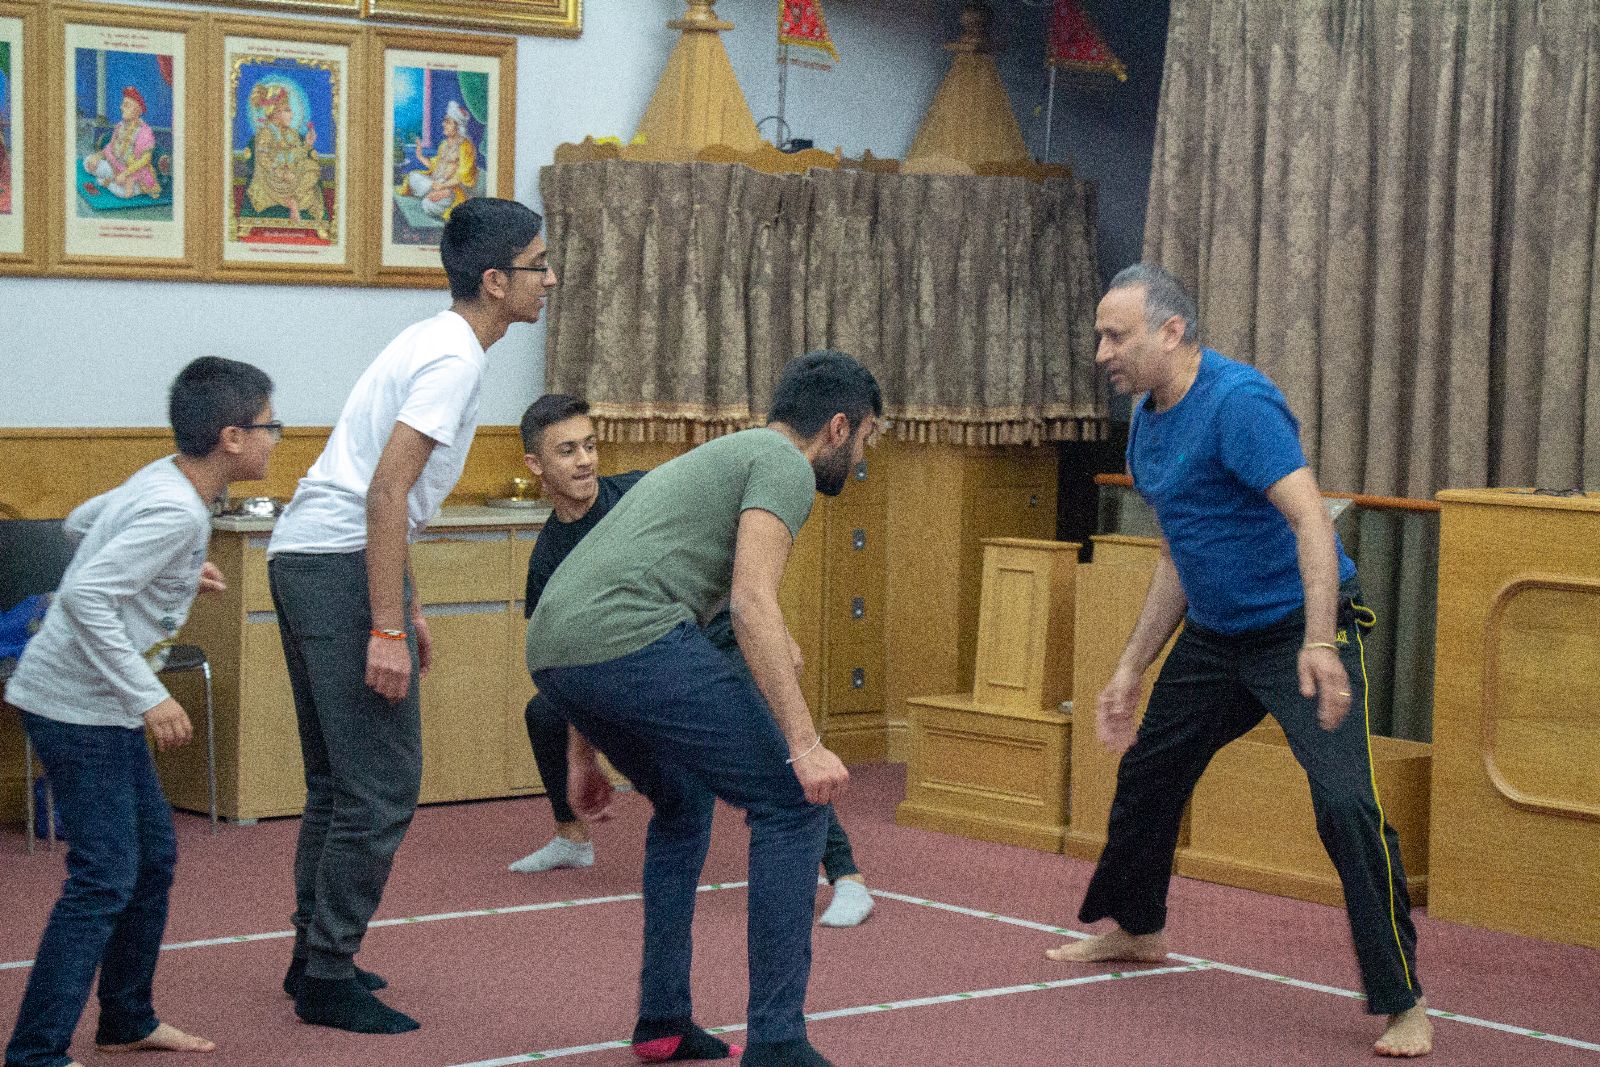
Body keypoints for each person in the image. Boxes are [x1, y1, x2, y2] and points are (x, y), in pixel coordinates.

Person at [1045, 264, 1432, 1058]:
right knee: (1151, 768)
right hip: (1217, 637)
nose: (1101, 352)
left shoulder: (1239, 404)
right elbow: (1179, 555)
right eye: (1099, 336)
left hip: (1301, 631)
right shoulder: (1148, 419)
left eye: (1115, 335)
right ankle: (1140, 928)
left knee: (1345, 805)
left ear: (1172, 332)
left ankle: (1403, 1000)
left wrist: (1320, 641)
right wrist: (1131, 666)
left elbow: (1312, 525)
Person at [527, 352, 881, 1067]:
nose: (864, 455)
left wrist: (583, 750)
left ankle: (662, 1020)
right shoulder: (783, 463)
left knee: (684, 801)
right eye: (869, 438)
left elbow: (636, 592)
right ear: (838, 427)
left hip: (556, 651)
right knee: (793, 803)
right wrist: (804, 742)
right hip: (627, 635)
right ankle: (778, 1040)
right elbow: (752, 601)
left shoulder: (729, 454)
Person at [266, 196, 555, 1035]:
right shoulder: (454, 357)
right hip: (335, 564)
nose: (551, 277)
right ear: (496, 281)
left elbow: (388, 495)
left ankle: (313, 953)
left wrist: (408, 603)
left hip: (310, 555)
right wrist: (384, 626)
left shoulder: (436, 339)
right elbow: (386, 488)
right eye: (538, 264)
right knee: (382, 784)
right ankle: (325, 972)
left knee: (337, 781)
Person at [4, 356, 279, 1067]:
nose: (278, 436)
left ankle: (126, 1016)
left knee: (151, 859)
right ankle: (35, 1053)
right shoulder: (172, 506)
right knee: (103, 874)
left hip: (93, 704)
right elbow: (90, 595)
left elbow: (79, 523)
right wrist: (149, 693)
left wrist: (178, 567)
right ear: (231, 437)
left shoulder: (167, 481)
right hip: (75, 706)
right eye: (270, 425)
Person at [245, 83, 323, 224]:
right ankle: (295, 201)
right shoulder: (266, 133)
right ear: (275, 113)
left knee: (312, 167)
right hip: (272, 180)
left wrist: (307, 144)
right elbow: (263, 160)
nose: (292, 115)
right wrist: (282, 174)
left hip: (292, 177)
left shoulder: (291, 133)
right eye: (287, 110)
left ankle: (294, 200)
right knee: (309, 193)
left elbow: (297, 155)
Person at [396, 100, 477, 221]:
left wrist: (443, 186)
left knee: (427, 205)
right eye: (445, 121)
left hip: (451, 189)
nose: (443, 124)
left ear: (458, 126)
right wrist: (419, 154)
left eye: (448, 122)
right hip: (434, 182)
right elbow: (435, 166)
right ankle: (431, 191)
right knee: (413, 176)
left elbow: (462, 177)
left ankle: (435, 195)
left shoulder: (466, 146)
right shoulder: (444, 144)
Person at [82, 86, 160, 200]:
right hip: (115, 167)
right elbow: (110, 147)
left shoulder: (145, 132)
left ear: (137, 110)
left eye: (126, 105)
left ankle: (109, 182)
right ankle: (113, 179)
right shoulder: (120, 126)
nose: (121, 108)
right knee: (87, 162)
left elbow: (145, 160)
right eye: (122, 104)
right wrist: (97, 156)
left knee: (123, 193)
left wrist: (125, 174)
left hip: (134, 174)